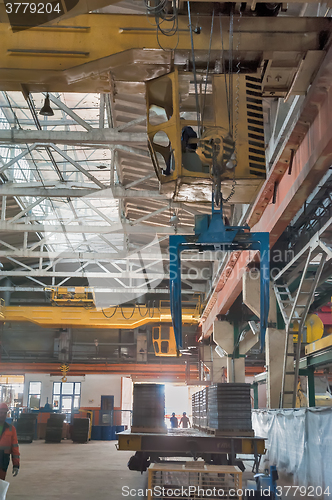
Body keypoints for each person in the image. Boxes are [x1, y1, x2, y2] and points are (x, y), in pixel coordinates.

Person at [0, 403, 20, 480]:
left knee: (1, 483)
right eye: (0, 412)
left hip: (3, 461)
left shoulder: (11, 429)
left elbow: (15, 448)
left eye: (4, 413)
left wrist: (16, 464)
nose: (2, 415)